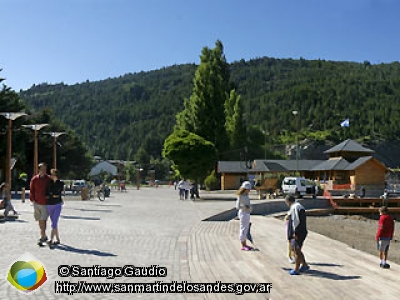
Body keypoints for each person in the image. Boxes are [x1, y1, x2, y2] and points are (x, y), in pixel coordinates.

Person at [285, 195, 309, 275]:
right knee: (297, 249)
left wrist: (295, 232)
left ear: (288, 201)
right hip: (302, 231)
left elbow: (296, 221)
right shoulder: (298, 206)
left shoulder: (295, 207)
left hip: (298, 232)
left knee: (296, 250)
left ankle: (296, 269)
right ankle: (304, 265)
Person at [30, 162, 51, 245]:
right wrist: (32, 199)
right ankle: (44, 235)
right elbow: (32, 190)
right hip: (36, 202)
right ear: (39, 169)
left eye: (45, 169)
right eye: (42, 169)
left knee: (43, 219)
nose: (44, 170)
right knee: (39, 219)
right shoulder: (34, 179)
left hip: (45, 203)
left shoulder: (49, 179)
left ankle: (42, 236)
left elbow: (52, 188)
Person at [46, 169, 64, 247]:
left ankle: (51, 240)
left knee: (54, 222)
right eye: (51, 174)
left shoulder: (60, 183)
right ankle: (58, 239)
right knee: (54, 223)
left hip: (57, 204)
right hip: (49, 205)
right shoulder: (49, 183)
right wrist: (51, 195)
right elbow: (47, 193)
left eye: (52, 174)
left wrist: (52, 194)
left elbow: (58, 193)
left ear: (56, 175)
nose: (51, 175)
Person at [236, 181, 252, 251]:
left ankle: (245, 244)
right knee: (243, 229)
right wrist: (245, 207)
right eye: (248, 189)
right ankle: (243, 244)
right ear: (245, 189)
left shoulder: (246, 195)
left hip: (247, 213)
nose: (249, 191)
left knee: (245, 229)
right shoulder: (241, 196)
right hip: (243, 213)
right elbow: (237, 206)